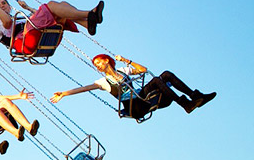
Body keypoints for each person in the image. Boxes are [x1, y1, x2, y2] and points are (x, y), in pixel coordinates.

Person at [50, 54, 216, 118]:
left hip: (142, 96)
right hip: (134, 106)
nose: (98, 66)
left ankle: (194, 97)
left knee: (165, 75)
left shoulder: (123, 70)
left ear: (107, 60)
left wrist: (126, 60)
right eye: (96, 65)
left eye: (99, 62)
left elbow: (143, 70)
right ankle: (185, 104)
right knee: (158, 81)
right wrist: (64, 93)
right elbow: (84, 88)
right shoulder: (103, 82)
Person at [0, 0, 104, 47]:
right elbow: (7, 22)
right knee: (52, 5)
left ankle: (87, 23)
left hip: (41, 32)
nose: (1, 6)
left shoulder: (21, 18)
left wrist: (28, 7)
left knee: (63, 5)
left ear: (9, 7)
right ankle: (89, 14)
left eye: (3, 3)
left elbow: (38, 16)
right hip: (27, 40)